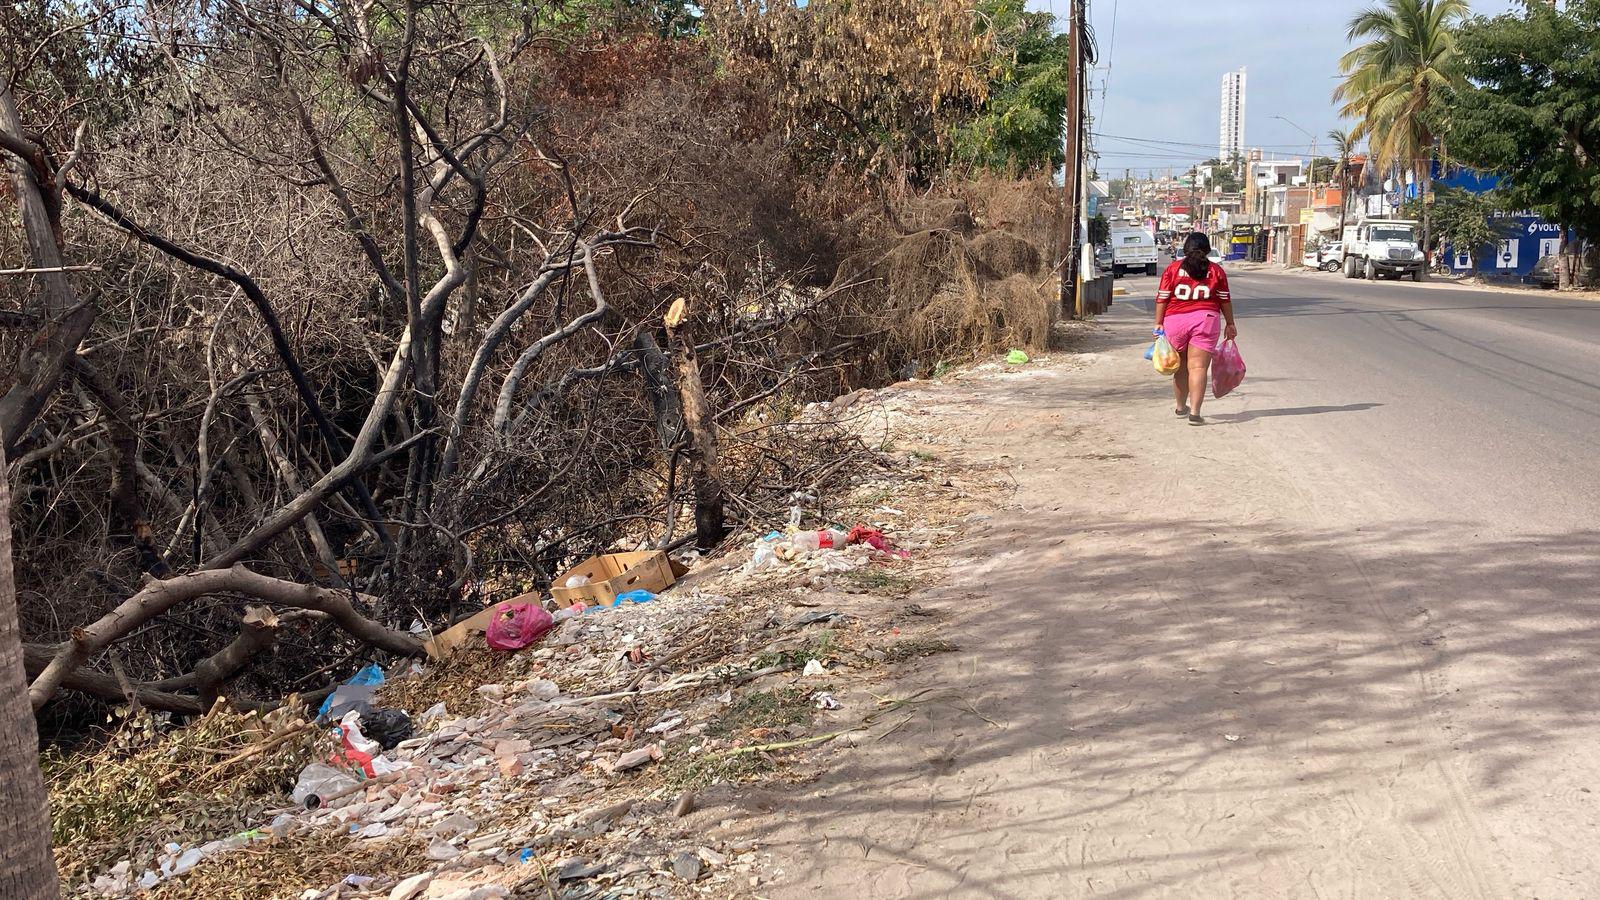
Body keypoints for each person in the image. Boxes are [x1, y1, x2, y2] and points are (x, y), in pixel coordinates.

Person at [1155, 232, 1236, 425]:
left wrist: (1158, 322)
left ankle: (1181, 407)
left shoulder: (1173, 269)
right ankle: (1195, 413)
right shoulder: (1216, 271)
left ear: (1185, 249)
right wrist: (1230, 323)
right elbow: (1224, 300)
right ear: (1207, 250)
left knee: (1180, 367)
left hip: (1175, 321)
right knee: (1198, 367)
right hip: (1206, 320)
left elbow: (1162, 298)